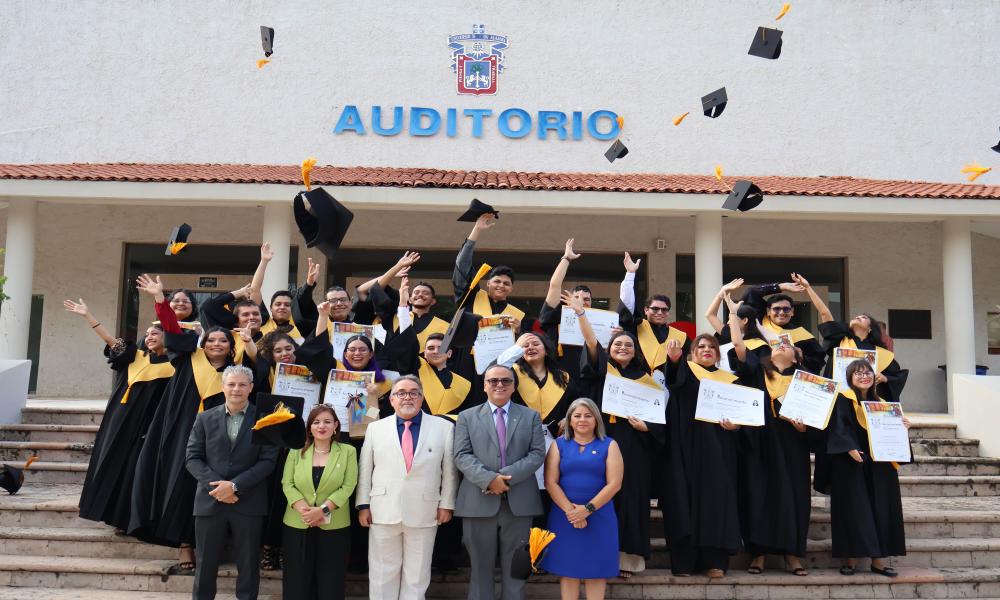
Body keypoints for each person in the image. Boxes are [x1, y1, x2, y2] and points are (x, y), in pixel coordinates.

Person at [129, 274, 252, 571]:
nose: (217, 343)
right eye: (212, 339)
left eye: (224, 340)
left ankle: (214, 543)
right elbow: (171, 328)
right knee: (183, 485)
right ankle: (185, 544)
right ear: (203, 343)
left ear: (231, 345)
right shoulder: (188, 356)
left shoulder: (237, 373)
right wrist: (161, 299)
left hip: (222, 436)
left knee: (217, 484)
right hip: (183, 431)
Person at [572, 291, 662, 578]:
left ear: (636, 351)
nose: (623, 347)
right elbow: (590, 342)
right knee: (599, 497)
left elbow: (660, 420)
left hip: (634, 445)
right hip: (602, 442)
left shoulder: (646, 382)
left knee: (632, 500)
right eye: (618, 344)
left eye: (628, 344)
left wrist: (646, 427)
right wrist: (581, 314)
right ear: (609, 350)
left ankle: (628, 561)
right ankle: (598, 556)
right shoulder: (602, 372)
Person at [66, 298, 174, 532]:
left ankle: (132, 520)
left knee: (136, 469)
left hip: (148, 423)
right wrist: (88, 316)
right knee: (114, 463)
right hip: (121, 419)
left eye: (156, 332)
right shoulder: (136, 357)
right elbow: (110, 341)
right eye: (147, 333)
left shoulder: (175, 365)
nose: (150, 336)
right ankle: (112, 516)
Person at [725, 294, 812, 576]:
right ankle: (758, 553)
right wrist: (733, 314)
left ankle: (792, 554)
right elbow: (738, 345)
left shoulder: (806, 382)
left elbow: (816, 419)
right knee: (758, 495)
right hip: (759, 444)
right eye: (778, 342)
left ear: (798, 355)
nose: (782, 345)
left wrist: (804, 428)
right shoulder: (756, 372)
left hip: (792, 446)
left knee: (793, 497)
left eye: (788, 344)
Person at [357, 376, 458, 600]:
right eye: (401, 393)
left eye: (414, 392)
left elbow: (449, 471)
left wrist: (447, 504)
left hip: (425, 510)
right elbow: (365, 470)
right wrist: (363, 505)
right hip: (382, 510)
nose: (407, 397)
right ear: (391, 400)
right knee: (382, 574)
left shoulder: (443, 428)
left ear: (422, 397)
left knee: (417, 575)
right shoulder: (375, 428)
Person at [185, 365, 278, 600]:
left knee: (248, 564)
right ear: (223, 387)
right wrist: (218, 487)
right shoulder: (204, 418)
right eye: (232, 384)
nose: (236, 389)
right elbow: (192, 458)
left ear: (251, 388)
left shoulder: (265, 420)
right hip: (210, 500)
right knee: (205, 563)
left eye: (242, 384)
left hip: (248, 502)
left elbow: (268, 461)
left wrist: (234, 486)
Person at [454, 363, 546, 600]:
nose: (499, 385)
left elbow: (537, 454)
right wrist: (489, 480)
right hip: (478, 500)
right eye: (493, 380)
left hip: (519, 502)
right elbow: (461, 455)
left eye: (505, 381)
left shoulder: (531, 416)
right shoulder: (466, 417)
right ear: (484, 385)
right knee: (480, 569)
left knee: (516, 569)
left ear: (514, 386)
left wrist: (503, 479)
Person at [662, 334, 742, 578]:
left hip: (718, 451)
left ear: (718, 354)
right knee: (683, 501)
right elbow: (674, 381)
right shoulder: (686, 373)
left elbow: (742, 414)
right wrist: (674, 362)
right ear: (692, 353)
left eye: (712, 347)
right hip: (684, 450)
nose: (707, 350)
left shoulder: (730, 382)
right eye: (701, 346)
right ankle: (684, 563)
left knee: (716, 503)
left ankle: (714, 561)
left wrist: (736, 427)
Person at [821, 359, 909, 577]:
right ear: (849, 378)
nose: (864, 376)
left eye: (867, 372)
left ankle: (878, 561)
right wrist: (848, 447)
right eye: (858, 373)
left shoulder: (883, 403)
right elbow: (836, 426)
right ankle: (849, 559)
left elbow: (892, 432)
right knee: (851, 510)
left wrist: (902, 426)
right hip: (850, 462)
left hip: (880, 464)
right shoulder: (842, 400)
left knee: (881, 509)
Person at [539, 398, 624, 600]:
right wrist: (573, 512)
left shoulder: (610, 445)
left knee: (597, 570)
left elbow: (614, 484)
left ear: (596, 419)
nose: (582, 420)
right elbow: (550, 482)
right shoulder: (558, 445)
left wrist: (587, 510)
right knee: (569, 570)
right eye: (577, 416)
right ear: (569, 420)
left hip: (600, 516)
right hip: (564, 516)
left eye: (588, 415)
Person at [282, 404, 357, 600]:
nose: (321, 426)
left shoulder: (348, 451)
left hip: (335, 527)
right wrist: (306, 511)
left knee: (331, 580)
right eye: (316, 422)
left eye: (327, 421)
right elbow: (287, 484)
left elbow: (348, 486)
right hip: (298, 523)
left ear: (336, 426)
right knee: (297, 579)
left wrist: (322, 510)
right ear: (309, 427)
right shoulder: (296, 451)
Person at [796, 273, 907, 401]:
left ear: (870, 329)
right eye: (856, 316)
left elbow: (896, 377)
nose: (858, 317)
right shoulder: (840, 340)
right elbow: (824, 313)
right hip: (838, 400)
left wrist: (884, 378)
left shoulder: (880, 353)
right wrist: (808, 288)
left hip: (865, 402)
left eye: (864, 317)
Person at [617, 252, 687, 384]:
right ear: (646, 310)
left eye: (664, 309)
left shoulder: (680, 337)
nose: (660, 312)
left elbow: (683, 368)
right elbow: (627, 308)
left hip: (666, 390)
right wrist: (630, 275)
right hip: (635, 383)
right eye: (655, 309)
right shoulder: (636, 326)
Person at [739, 276, 826, 374]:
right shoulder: (759, 322)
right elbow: (751, 292)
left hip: (788, 380)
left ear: (792, 312)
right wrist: (781, 287)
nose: (781, 312)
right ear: (768, 311)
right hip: (762, 378)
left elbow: (818, 362)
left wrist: (802, 357)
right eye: (776, 309)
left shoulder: (802, 335)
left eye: (786, 309)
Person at [453, 213, 525, 328]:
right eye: (497, 281)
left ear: (511, 289)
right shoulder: (472, 296)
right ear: (488, 283)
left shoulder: (517, 316)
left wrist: (518, 332)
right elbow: (462, 265)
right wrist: (477, 229)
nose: (501, 285)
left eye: (506, 283)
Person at [536, 239, 591, 379]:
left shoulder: (598, 323)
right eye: (577, 297)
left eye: (586, 299)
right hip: (558, 381)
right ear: (567, 300)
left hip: (587, 381)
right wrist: (566, 258)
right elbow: (554, 285)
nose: (581, 302)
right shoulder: (555, 318)